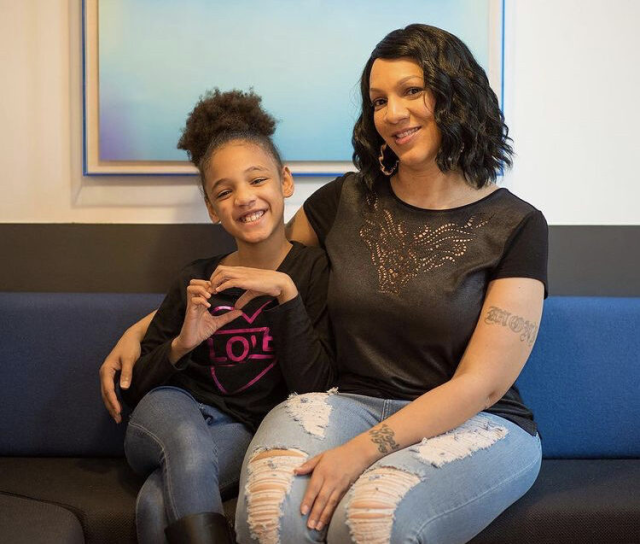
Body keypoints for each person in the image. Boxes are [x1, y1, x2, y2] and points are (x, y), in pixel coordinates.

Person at [101, 24, 548, 543]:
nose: (393, 113)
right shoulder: (344, 201)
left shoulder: (517, 225)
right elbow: (262, 273)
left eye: (411, 91)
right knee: (268, 509)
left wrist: (360, 452)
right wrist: (146, 327)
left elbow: (482, 384)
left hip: (475, 419)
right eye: (379, 100)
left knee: (370, 517)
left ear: (457, 94)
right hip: (345, 403)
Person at [119, 89, 335, 544]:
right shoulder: (196, 278)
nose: (244, 198)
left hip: (242, 429)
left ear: (286, 182)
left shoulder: (312, 272)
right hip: (168, 410)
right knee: (188, 446)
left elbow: (314, 389)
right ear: (212, 209)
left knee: (154, 503)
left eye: (257, 180)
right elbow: (139, 386)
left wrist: (286, 295)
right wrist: (183, 344)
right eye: (225, 191)